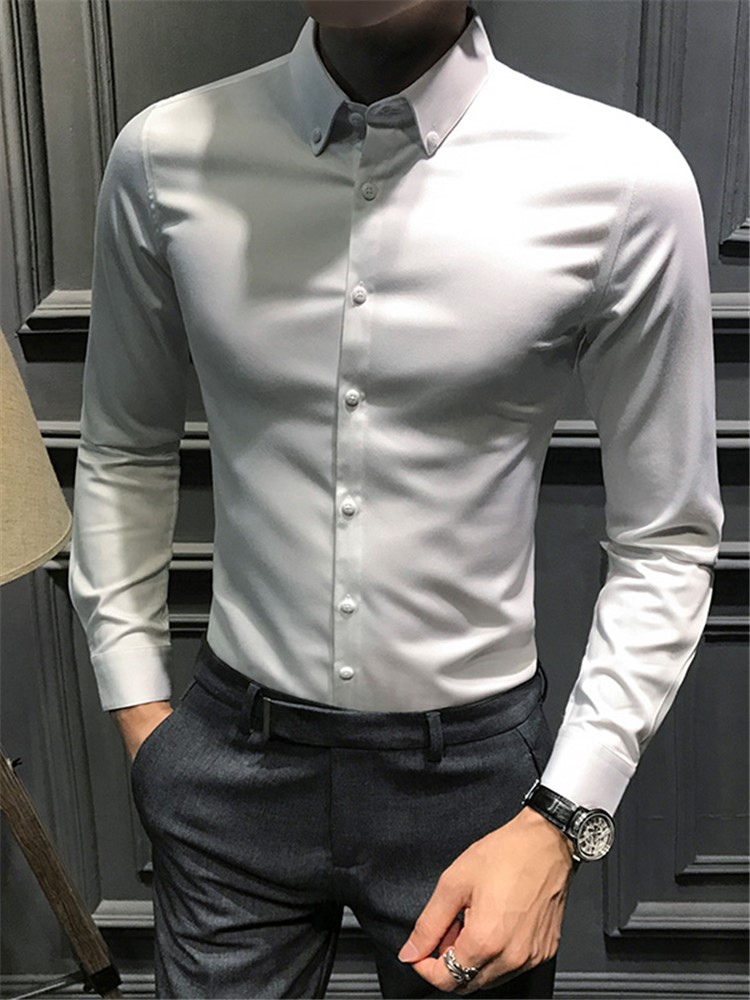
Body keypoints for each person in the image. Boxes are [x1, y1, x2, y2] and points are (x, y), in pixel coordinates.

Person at [68, 1, 724, 997]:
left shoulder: (622, 178)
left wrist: (561, 817)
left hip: (474, 792)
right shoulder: (164, 157)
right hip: (230, 763)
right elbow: (123, 448)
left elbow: (667, 537)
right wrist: (144, 723)